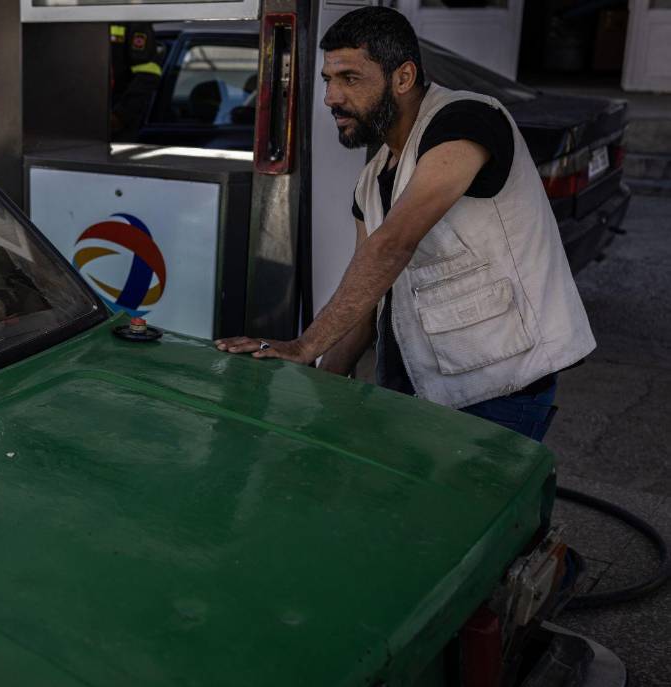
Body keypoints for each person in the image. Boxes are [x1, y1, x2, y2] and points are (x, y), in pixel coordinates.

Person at [215, 7, 594, 442]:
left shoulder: (467, 119)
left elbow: (393, 245)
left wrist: (303, 346)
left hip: (500, 389)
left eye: (350, 79)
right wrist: (320, 388)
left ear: (403, 77)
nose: (331, 98)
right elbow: (367, 297)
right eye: (328, 80)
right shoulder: (371, 181)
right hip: (421, 390)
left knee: (470, 511)